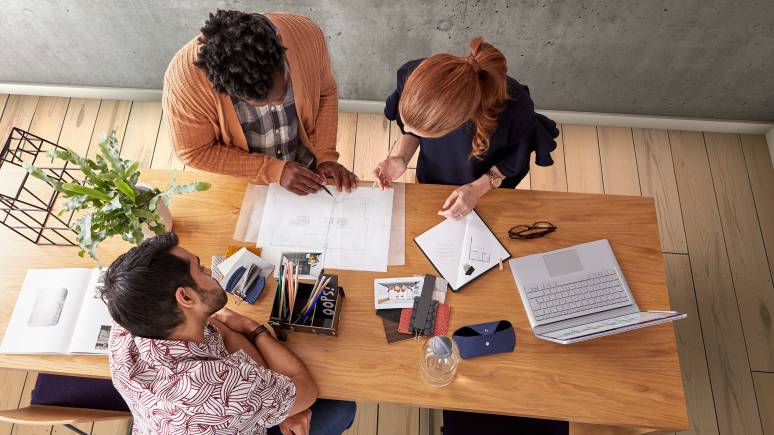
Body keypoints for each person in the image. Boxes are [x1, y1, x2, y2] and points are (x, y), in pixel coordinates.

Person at [101, 232, 356, 434]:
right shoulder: (224, 387)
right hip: (228, 410)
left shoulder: (128, 325)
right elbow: (306, 388)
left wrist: (276, 402)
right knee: (343, 405)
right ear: (186, 297)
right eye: (200, 269)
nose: (210, 272)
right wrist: (253, 329)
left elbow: (223, 334)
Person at [163, 10, 358, 195]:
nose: (281, 101)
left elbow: (325, 93)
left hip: (304, 167)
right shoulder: (184, 82)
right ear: (227, 89)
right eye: (262, 102)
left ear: (281, 45)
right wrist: (272, 170)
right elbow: (194, 152)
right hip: (243, 179)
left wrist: (324, 155)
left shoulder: (307, 34)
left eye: (284, 89)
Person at [374, 37, 559, 219]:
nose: (405, 128)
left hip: (489, 184)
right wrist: (402, 158)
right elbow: (412, 128)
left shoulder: (515, 108)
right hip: (433, 170)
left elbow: (512, 160)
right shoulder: (416, 75)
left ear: (456, 122)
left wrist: (478, 189)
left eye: (426, 132)